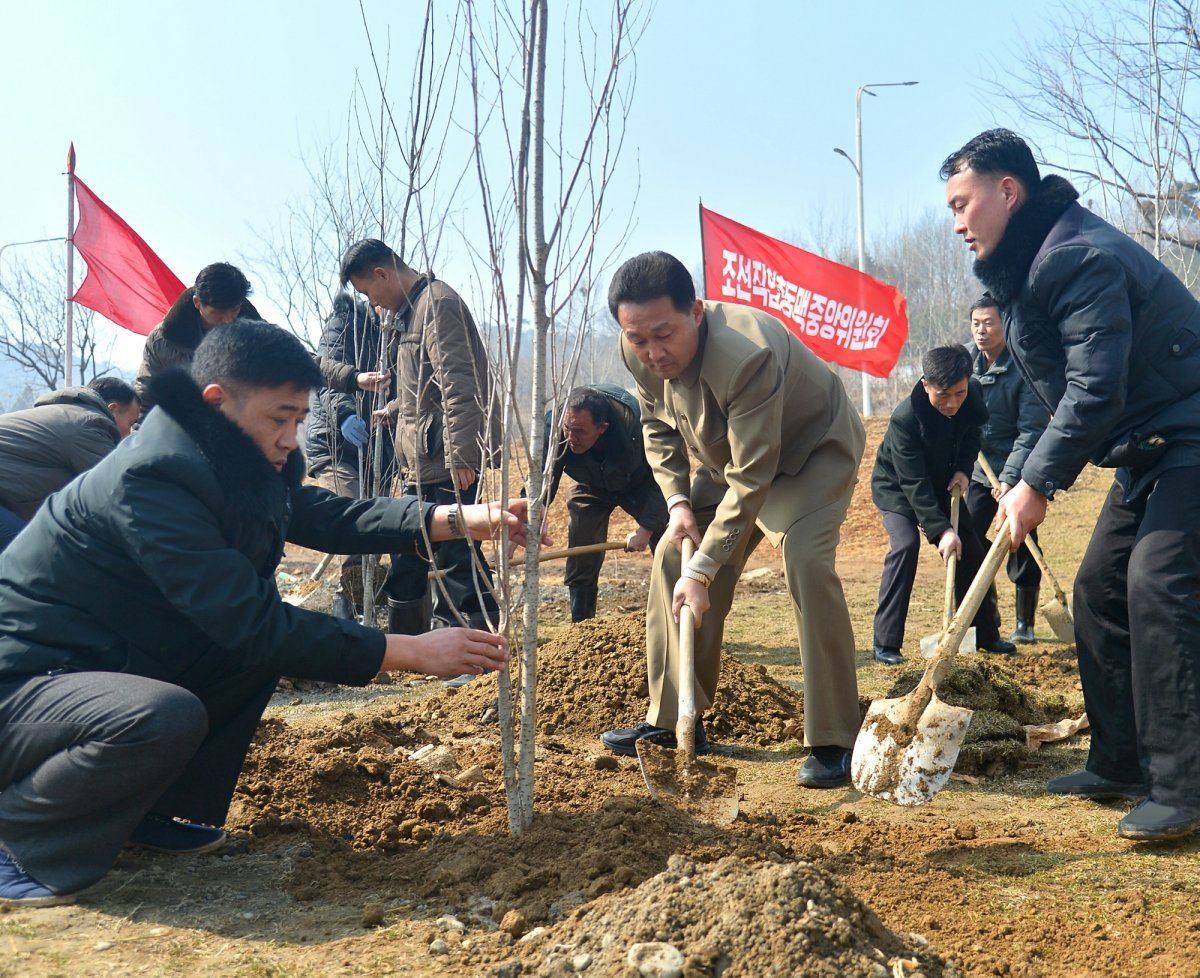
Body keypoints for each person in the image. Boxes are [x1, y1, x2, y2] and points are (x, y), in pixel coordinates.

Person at [0, 319, 534, 907]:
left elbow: (328, 517)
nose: (290, 438)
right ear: (216, 402)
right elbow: (250, 619)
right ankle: (20, 837)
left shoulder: (222, 458)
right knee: (162, 714)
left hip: (94, 664)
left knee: (246, 658)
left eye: (299, 422)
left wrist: (456, 519)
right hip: (26, 683)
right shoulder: (151, 478)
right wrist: (406, 651)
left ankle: (154, 809)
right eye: (279, 419)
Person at [942, 128, 1200, 840]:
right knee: (1096, 591)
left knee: (1158, 583)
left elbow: (1093, 392)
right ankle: (1120, 760)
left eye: (963, 203)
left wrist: (1042, 483)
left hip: (1189, 433)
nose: (957, 222)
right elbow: (1052, 401)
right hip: (1150, 447)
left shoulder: (1075, 258)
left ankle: (1184, 787)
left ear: (1008, 192)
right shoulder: (1026, 274)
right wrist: (1022, 477)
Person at [598, 251, 865, 789]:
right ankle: (673, 718)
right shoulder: (639, 352)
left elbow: (754, 478)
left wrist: (705, 571)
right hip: (729, 459)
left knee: (806, 562)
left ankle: (836, 735)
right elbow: (658, 429)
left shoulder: (747, 354)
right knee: (673, 553)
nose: (653, 351)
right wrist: (676, 506)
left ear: (696, 311)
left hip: (808, 453)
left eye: (664, 335)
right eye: (638, 338)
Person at [340, 240, 500, 686]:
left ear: (382, 274)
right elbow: (421, 389)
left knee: (454, 554)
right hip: (420, 458)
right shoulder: (410, 312)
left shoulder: (438, 304)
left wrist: (462, 455)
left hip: (446, 459)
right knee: (407, 545)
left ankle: (473, 655)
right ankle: (409, 652)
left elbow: (458, 380)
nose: (373, 303)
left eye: (369, 292)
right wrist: (392, 411)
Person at [870, 345, 1015, 666]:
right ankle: (886, 642)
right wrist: (942, 531)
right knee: (905, 546)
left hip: (943, 482)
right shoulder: (905, 419)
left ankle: (984, 633)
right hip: (898, 487)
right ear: (925, 385)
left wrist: (963, 469)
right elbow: (913, 485)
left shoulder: (970, 395)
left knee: (974, 551)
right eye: (943, 395)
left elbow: (972, 435)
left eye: (959, 394)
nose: (952, 404)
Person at [305, 293, 396, 622]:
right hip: (335, 443)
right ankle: (342, 615)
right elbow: (325, 380)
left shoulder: (402, 328)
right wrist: (345, 416)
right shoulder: (346, 323)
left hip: (381, 448)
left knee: (379, 530)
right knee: (352, 521)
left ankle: (366, 615)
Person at [543, 384, 668, 621]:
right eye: (567, 429)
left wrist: (646, 529)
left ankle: (674, 622)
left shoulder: (636, 426)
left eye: (579, 431)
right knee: (582, 543)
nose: (570, 438)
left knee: (669, 541)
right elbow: (542, 478)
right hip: (591, 483)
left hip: (639, 482)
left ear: (602, 428)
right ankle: (582, 627)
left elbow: (662, 478)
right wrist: (525, 519)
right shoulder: (555, 427)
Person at [965, 293, 1050, 643]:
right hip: (978, 471)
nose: (981, 331)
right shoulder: (965, 369)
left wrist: (1010, 478)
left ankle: (1024, 623)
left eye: (989, 323)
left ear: (1004, 325)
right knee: (968, 537)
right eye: (976, 324)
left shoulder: (1022, 369)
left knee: (1020, 539)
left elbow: (1031, 430)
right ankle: (984, 613)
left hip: (1018, 472)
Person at [0, 376, 140, 551]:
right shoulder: (90, 425)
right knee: (26, 557)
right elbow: (115, 492)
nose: (131, 433)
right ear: (112, 409)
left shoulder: (64, 414)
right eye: (131, 423)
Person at [135, 262, 260, 416]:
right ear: (197, 303)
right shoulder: (162, 340)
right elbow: (147, 398)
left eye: (234, 311)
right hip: (179, 431)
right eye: (217, 313)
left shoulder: (262, 341)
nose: (228, 320)